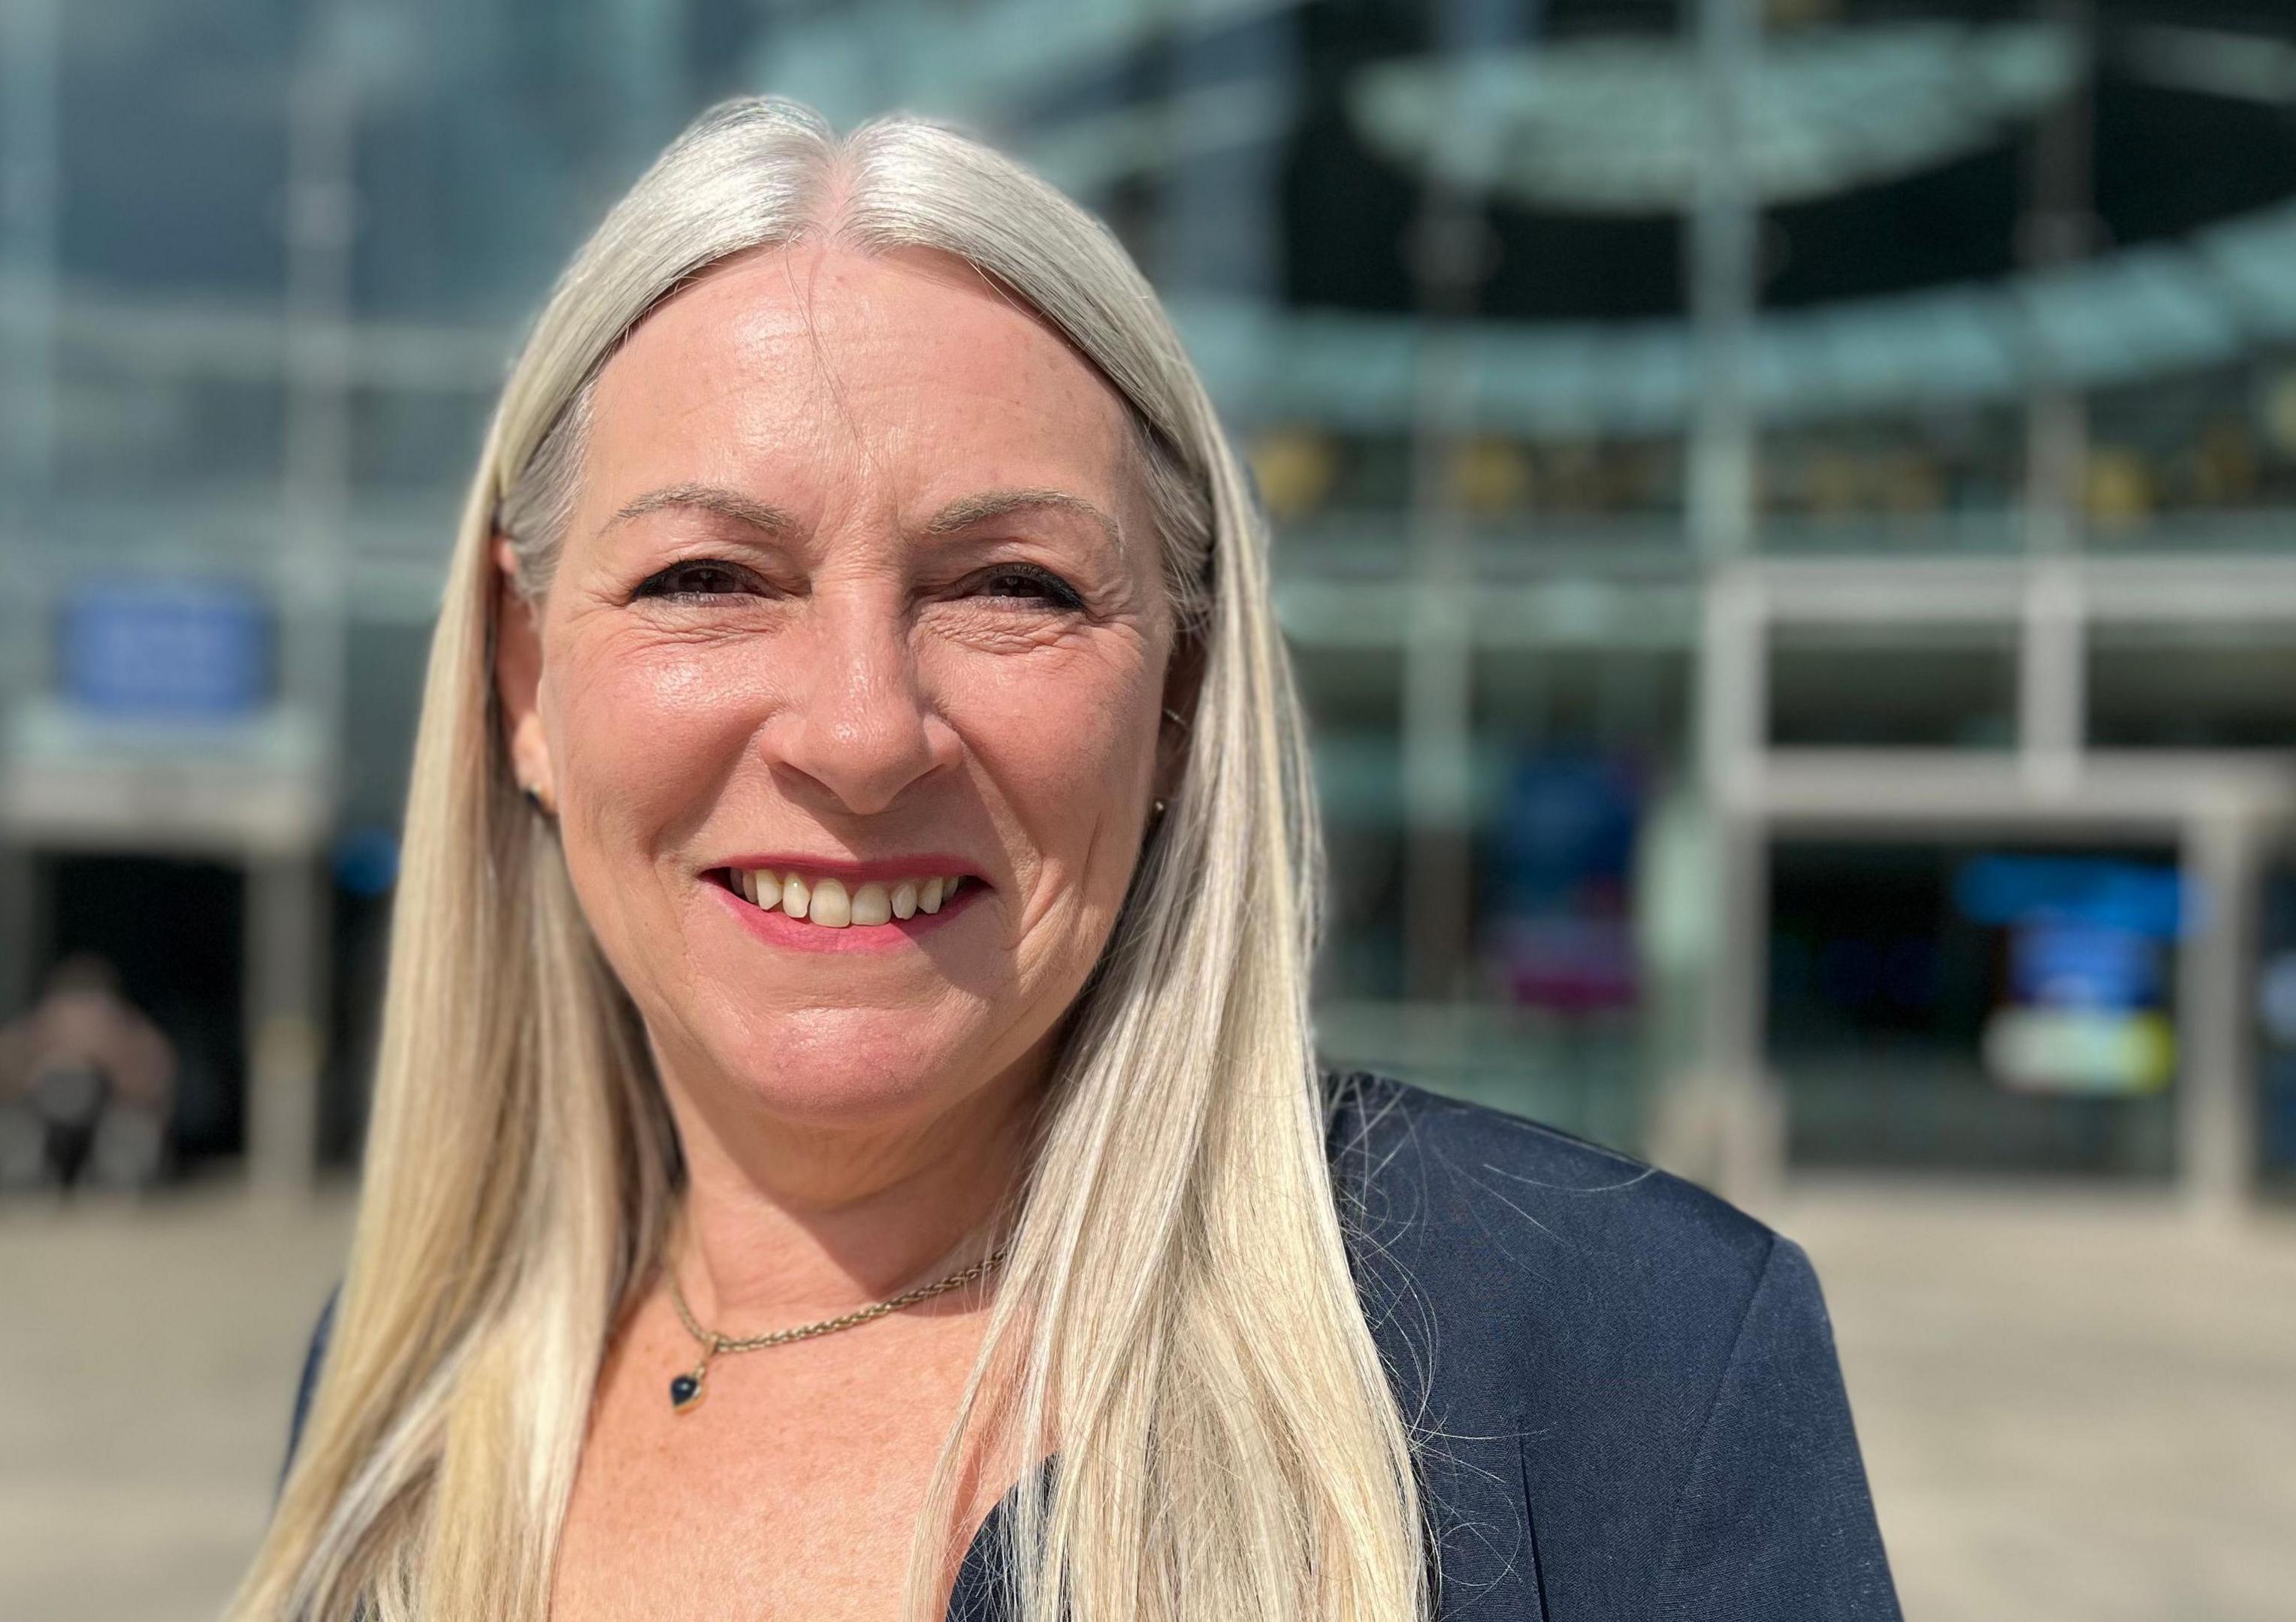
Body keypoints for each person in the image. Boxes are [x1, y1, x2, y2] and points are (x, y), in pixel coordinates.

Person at [235, 100, 1900, 1622]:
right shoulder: (403, 1416)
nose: (861, 728)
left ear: (1175, 695)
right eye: (705, 576)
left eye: (1013, 585)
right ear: (528, 680)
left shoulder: (1629, 1362)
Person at [0, 953, 174, 1196]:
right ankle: (24, 1183)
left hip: (113, 1113)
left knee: (132, 1124)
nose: (80, 1022)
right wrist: (31, 1076)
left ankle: (113, 1183)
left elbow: (158, 1070)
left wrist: (118, 1077)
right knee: (9, 1123)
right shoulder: (35, 1029)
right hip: (38, 1112)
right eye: (71, 1009)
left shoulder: (127, 1032)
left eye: (89, 1009)